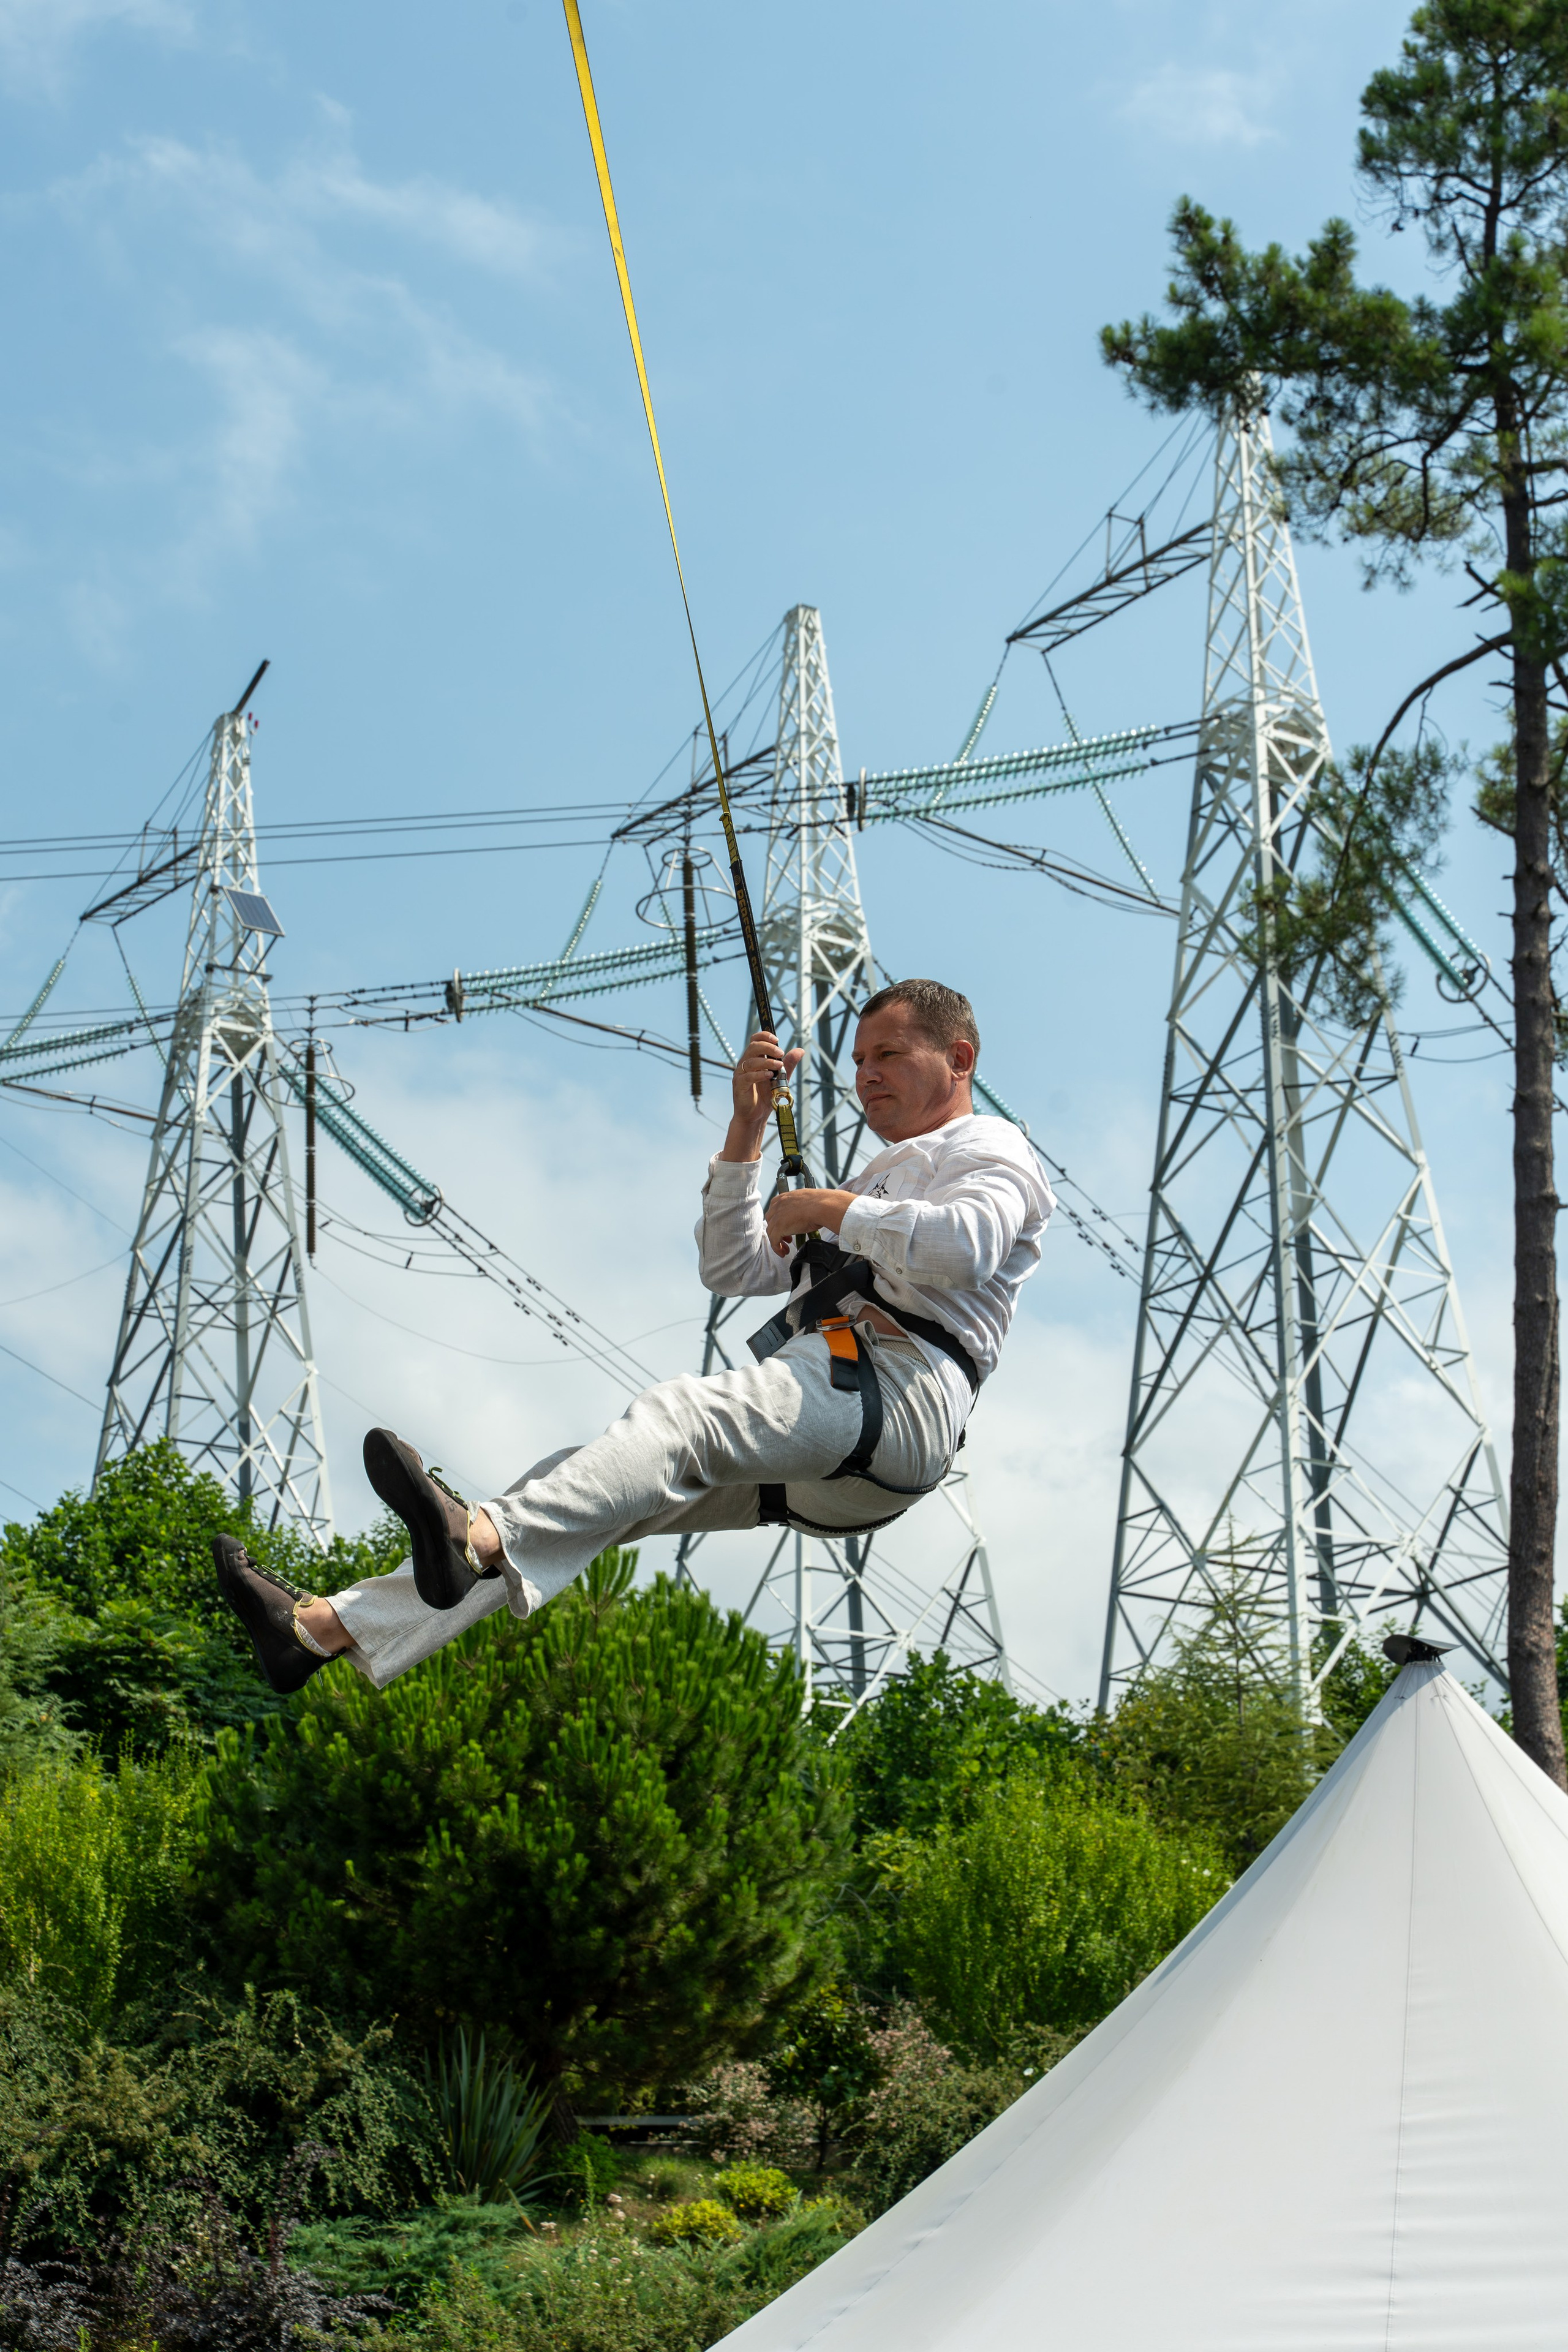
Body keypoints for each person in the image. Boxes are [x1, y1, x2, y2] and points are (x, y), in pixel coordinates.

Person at [214, 978, 1054, 1694]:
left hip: (899, 1391)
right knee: (578, 1499)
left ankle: (470, 1535)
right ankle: (321, 1632)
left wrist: (826, 1208)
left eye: (890, 1057)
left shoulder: (989, 1146)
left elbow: (965, 1248)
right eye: (861, 1061)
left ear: (960, 1059)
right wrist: (747, 1129)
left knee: (674, 1420)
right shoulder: (878, 1182)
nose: (867, 1077)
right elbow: (731, 1268)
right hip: (846, 1458)